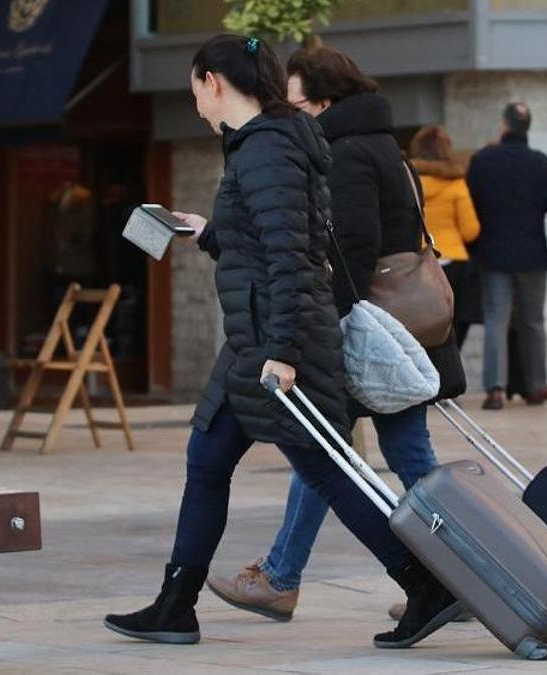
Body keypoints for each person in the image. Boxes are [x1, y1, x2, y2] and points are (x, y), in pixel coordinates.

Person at [103, 35, 459, 650]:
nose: (194, 104)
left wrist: (287, 353)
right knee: (208, 461)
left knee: (330, 471)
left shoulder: (266, 149)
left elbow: (295, 258)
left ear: (214, 81)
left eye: (194, 89)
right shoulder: (258, 146)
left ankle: (425, 584)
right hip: (254, 337)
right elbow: (266, 242)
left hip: (278, 341)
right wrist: (207, 230)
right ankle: (176, 603)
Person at [205, 46, 459, 625]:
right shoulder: (385, 145)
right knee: (371, 455)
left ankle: (283, 576)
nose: (287, 111)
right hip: (399, 324)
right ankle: (460, 574)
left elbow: (351, 253)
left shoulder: (345, 153)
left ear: (322, 101)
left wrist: (316, 324)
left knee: (328, 453)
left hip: (366, 329)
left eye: (294, 101)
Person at [466, 103, 547, 411]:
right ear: (527, 127)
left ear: (504, 125)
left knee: (495, 319)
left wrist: (472, 252)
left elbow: (470, 210)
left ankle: (496, 389)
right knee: (533, 323)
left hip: (494, 255)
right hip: (532, 256)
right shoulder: (541, 164)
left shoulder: (483, 161)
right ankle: (536, 385)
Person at [409, 126, 481, 349]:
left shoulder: (409, 182)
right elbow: (471, 230)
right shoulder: (457, 184)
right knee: (455, 328)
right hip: (454, 263)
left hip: (418, 262)